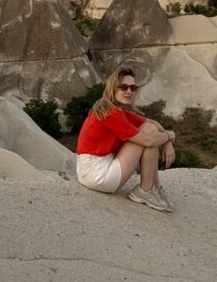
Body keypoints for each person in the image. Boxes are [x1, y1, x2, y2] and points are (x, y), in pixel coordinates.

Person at [75, 67, 176, 212]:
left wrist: (168, 141)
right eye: (124, 87)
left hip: (94, 170)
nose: (129, 91)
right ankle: (145, 191)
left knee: (149, 129)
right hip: (96, 173)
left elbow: (154, 123)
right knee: (148, 136)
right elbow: (148, 141)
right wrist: (170, 135)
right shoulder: (110, 113)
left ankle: (155, 188)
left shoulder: (117, 110)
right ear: (112, 88)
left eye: (133, 88)